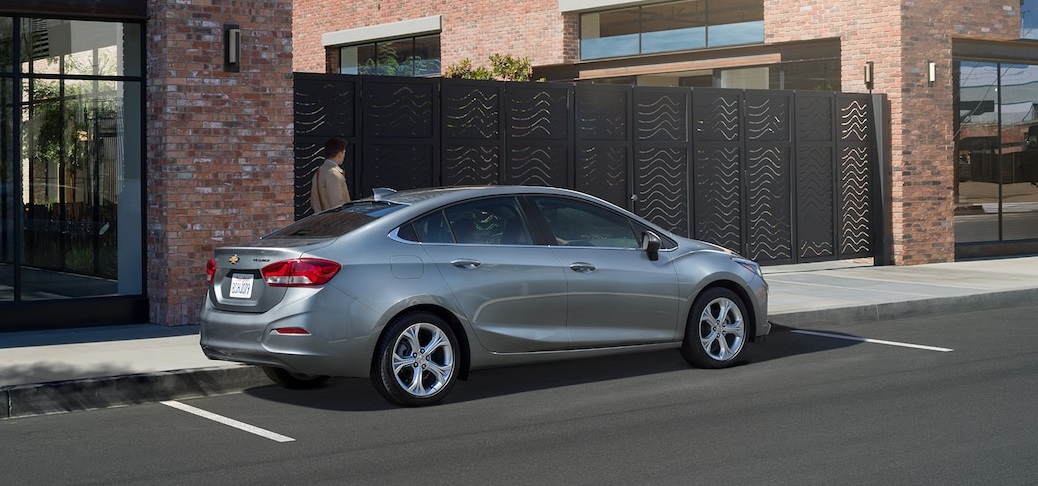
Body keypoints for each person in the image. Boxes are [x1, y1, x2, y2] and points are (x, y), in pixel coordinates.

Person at [309, 137, 351, 212]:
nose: (344, 156)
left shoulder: (319, 172)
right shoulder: (333, 174)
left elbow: (313, 202)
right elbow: (337, 204)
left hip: (320, 218)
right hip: (334, 220)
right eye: (344, 152)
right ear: (340, 154)